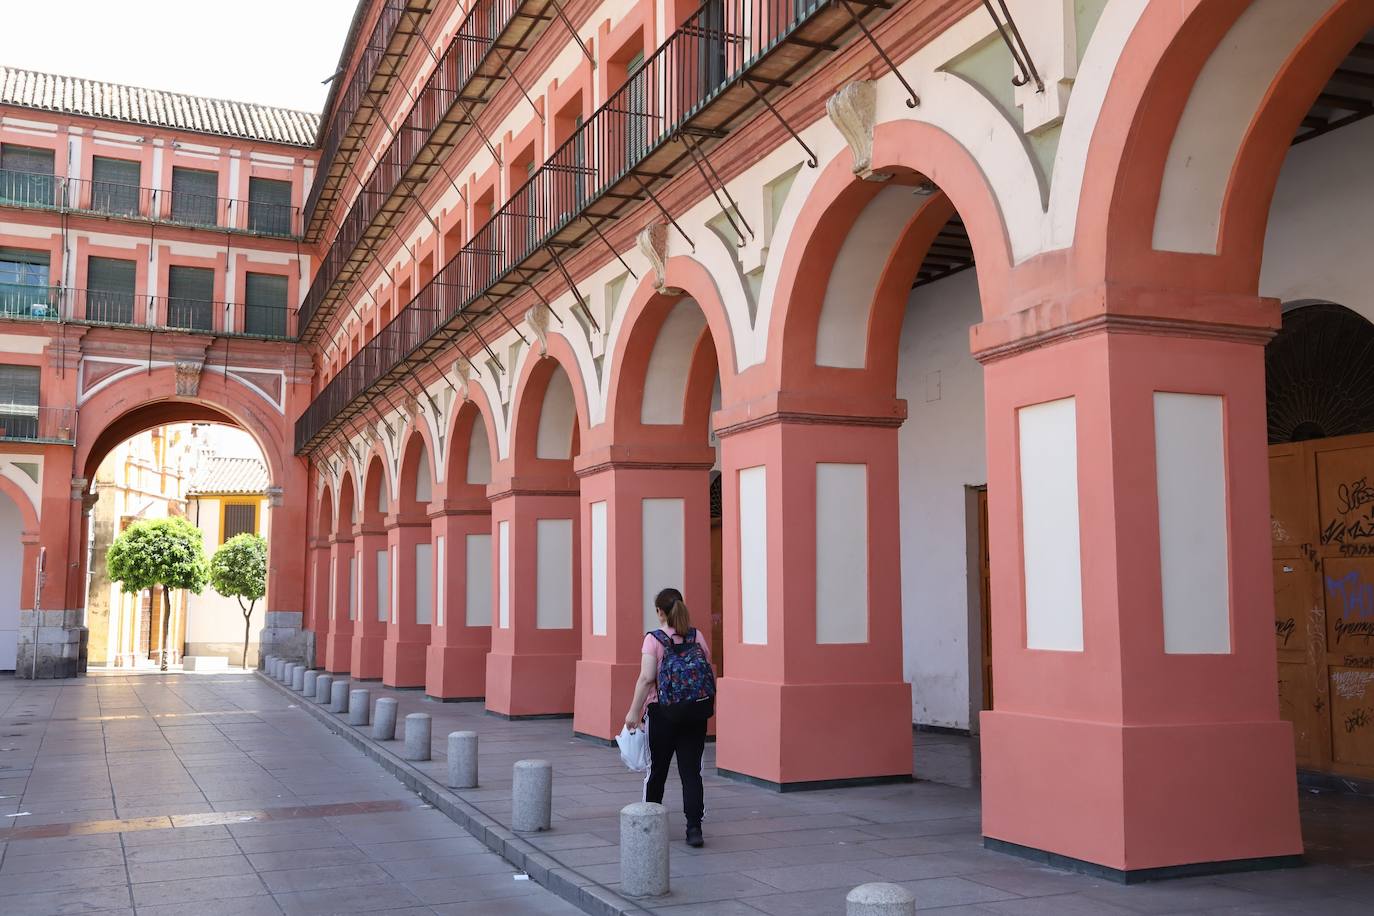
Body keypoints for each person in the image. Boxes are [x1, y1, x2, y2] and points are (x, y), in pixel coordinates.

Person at [624, 587, 714, 847]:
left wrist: (634, 710)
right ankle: (694, 829)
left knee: (657, 772)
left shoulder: (654, 639)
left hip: (662, 712)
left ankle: (648, 825)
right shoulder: (697, 637)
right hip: (695, 713)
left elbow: (646, 678)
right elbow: (707, 666)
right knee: (691, 772)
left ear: (660, 612)